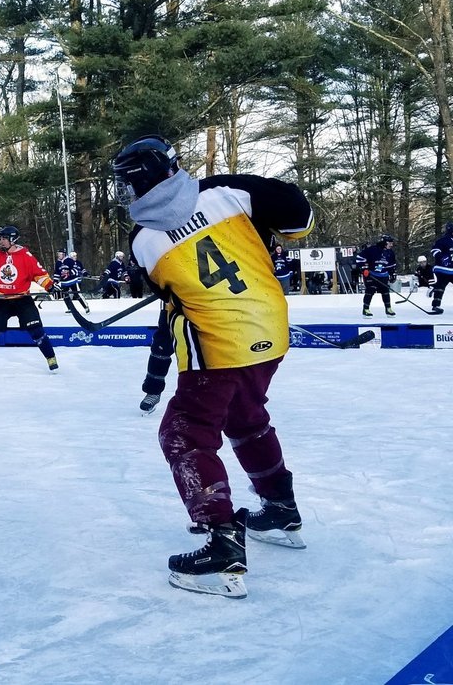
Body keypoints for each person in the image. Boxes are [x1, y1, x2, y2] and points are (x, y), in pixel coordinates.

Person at [113, 135, 313, 600]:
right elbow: (298, 221)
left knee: (184, 433)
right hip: (270, 328)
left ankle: (221, 544)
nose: (126, 194)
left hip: (219, 345)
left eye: (128, 184)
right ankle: (281, 507)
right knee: (246, 415)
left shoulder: (143, 238)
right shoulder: (227, 192)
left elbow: (170, 293)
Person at [0, 225, 60, 373]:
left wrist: (50, 286)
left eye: (4, 238)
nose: (1, 241)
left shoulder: (26, 256)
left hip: (22, 299)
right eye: (0, 238)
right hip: (2, 300)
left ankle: (51, 359)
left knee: (37, 330)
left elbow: (40, 275)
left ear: (13, 239)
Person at [354, 235, 396, 317]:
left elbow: (392, 265)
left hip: (383, 274)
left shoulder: (390, 253)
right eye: (390, 243)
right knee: (370, 290)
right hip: (371, 274)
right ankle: (365, 308)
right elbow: (359, 257)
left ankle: (388, 308)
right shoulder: (372, 249)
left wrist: (392, 274)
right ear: (384, 242)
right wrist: (364, 268)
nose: (391, 245)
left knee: (385, 291)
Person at [430, 222, 453, 313]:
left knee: (439, 287)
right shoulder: (443, 241)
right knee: (440, 287)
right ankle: (436, 305)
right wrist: (443, 258)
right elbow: (434, 250)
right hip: (442, 269)